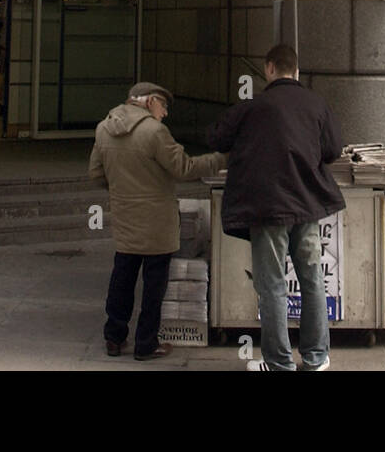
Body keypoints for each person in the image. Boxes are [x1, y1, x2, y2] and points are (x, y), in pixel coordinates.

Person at [207, 44, 344, 372]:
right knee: (312, 279)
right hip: (307, 206)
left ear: (269, 69)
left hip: (266, 209)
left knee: (271, 285)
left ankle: (279, 362)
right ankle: (316, 357)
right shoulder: (316, 104)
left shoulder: (251, 107)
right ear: (296, 71)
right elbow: (333, 149)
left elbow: (216, 138)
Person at [89, 82, 226, 361]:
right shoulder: (154, 132)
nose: (164, 114)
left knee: (122, 277)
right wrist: (221, 158)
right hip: (157, 221)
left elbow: (95, 173)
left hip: (125, 217)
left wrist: (122, 190)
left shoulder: (104, 128)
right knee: (154, 285)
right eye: (163, 106)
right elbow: (184, 168)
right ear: (150, 102)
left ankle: (114, 338)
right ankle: (145, 344)